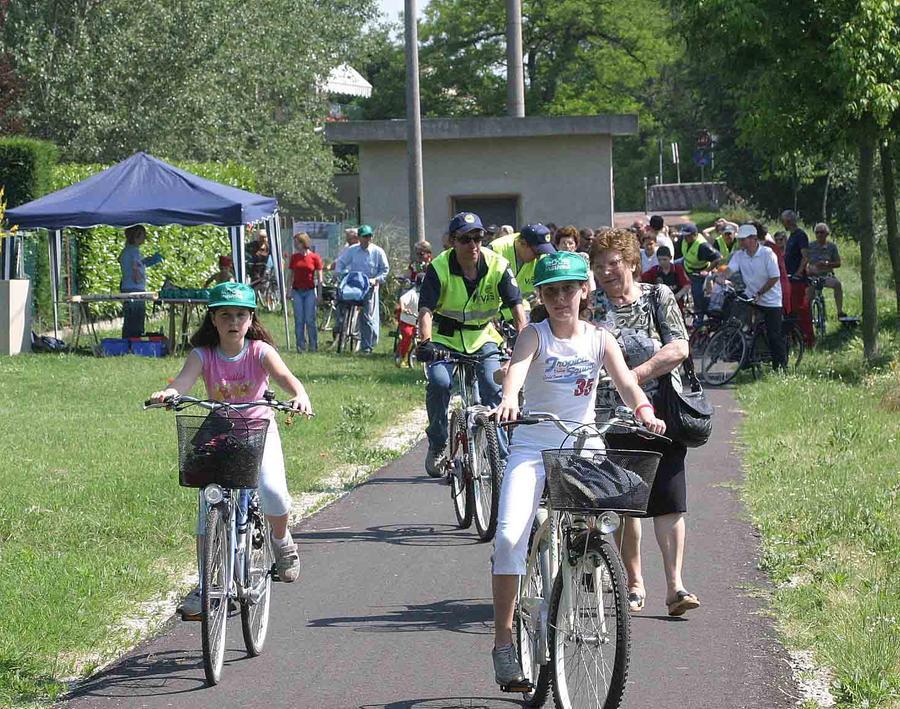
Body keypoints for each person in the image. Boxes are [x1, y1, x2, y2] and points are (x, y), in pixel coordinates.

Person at [490, 250, 666, 687]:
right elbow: (516, 370)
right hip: (532, 444)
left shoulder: (600, 338)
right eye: (551, 291)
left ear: (584, 291)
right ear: (542, 297)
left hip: (581, 443)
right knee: (510, 537)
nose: (560, 298)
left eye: (569, 289)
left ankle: (580, 567)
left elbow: (626, 381)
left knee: (602, 521)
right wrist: (510, 399)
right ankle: (503, 641)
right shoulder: (535, 334)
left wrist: (643, 409)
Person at [148, 282, 312, 618]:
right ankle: (206, 582)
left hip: (258, 430)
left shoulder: (259, 352)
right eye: (225, 315)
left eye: (240, 314)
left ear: (251, 319)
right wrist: (169, 393)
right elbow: (183, 381)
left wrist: (299, 394)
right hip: (220, 431)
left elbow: (285, 378)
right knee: (208, 506)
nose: (233, 321)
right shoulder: (203, 355)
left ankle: (280, 540)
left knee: (273, 494)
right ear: (213, 319)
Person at [590, 228, 698, 618]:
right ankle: (633, 583)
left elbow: (679, 347)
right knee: (626, 503)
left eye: (614, 264)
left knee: (669, 499)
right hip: (611, 418)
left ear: (632, 263)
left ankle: (676, 587)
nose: (607, 272)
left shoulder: (658, 296)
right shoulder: (591, 307)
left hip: (662, 413)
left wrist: (635, 375)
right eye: (599, 266)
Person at [415, 212, 526, 476]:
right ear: (453, 241)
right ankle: (439, 441)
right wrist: (426, 343)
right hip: (445, 339)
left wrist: (524, 346)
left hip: (483, 337)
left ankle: (501, 457)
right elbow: (425, 311)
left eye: (478, 238)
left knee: (492, 386)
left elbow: (517, 308)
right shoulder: (439, 267)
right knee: (440, 383)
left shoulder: (498, 265)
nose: (473, 245)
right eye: (465, 239)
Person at [720, 224, 787, 371]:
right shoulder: (740, 255)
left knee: (774, 336)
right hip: (751, 297)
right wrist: (720, 277)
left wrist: (760, 293)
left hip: (771, 300)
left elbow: (774, 277)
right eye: (740, 240)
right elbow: (730, 269)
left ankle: (781, 368)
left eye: (743, 240)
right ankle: (745, 356)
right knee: (739, 324)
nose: (740, 243)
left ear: (753, 239)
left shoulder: (767, 253)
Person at [334, 224, 389, 354]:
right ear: (359, 237)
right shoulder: (352, 250)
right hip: (354, 285)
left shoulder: (378, 251)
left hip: (369, 286)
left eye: (369, 236)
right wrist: (340, 274)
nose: (367, 239)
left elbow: (385, 270)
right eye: (364, 236)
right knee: (342, 306)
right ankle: (342, 335)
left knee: (367, 317)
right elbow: (341, 262)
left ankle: (367, 347)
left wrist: (376, 279)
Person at [488, 223, 556, 317]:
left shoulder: (542, 257)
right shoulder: (495, 250)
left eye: (542, 252)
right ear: (522, 243)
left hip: (522, 309)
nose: (538, 257)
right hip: (493, 314)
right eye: (536, 252)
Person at [119, 225, 162, 338]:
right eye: (143, 235)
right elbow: (135, 267)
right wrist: (139, 278)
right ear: (136, 237)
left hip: (126, 286)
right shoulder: (134, 251)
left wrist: (145, 262)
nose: (145, 238)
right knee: (136, 316)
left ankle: (127, 340)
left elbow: (132, 263)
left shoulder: (126, 251)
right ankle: (135, 340)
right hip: (135, 288)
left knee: (129, 317)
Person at [801, 222, 847, 319]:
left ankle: (840, 311)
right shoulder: (810, 246)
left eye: (821, 232)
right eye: (817, 232)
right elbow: (804, 260)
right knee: (809, 293)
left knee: (837, 284)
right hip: (812, 275)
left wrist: (827, 264)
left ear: (827, 234)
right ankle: (808, 316)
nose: (819, 235)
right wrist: (808, 269)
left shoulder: (832, 247)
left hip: (826, 275)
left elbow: (838, 263)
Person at [679, 222, 722, 327]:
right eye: (684, 235)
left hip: (697, 272)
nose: (685, 238)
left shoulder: (703, 246)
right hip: (686, 264)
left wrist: (707, 270)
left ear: (694, 235)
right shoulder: (684, 240)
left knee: (697, 294)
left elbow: (718, 257)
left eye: (687, 236)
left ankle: (700, 318)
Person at [781, 209, 814, 346]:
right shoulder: (791, 236)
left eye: (783, 220)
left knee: (802, 310)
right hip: (789, 278)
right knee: (792, 310)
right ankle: (796, 338)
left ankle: (808, 339)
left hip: (797, 280)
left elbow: (805, 256)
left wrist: (799, 273)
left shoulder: (800, 235)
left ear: (788, 221)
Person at [288, 232, 324, 353]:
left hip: (309, 291)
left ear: (303, 243)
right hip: (297, 291)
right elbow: (291, 275)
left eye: (296, 242)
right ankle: (300, 346)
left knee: (310, 319)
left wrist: (319, 294)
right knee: (299, 320)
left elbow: (320, 278)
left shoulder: (315, 257)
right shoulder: (294, 257)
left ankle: (313, 346)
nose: (294, 244)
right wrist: (288, 291)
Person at [640, 245, 691, 313]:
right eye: (659, 260)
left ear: (670, 258)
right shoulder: (654, 270)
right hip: (660, 306)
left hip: (677, 305)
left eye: (664, 259)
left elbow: (687, 285)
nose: (662, 262)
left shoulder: (678, 269)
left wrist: (678, 295)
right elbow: (640, 279)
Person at [394, 276, 421, 367]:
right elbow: (402, 299)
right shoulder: (412, 293)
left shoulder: (426, 294)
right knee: (408, 336)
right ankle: (401, 357)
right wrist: (403, 308)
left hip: (418, 321)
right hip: (407, 320)